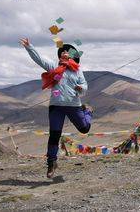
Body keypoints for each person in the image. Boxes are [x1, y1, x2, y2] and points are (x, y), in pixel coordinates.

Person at [19, 37, 92, 178]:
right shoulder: (54, 67)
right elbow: (39, 59)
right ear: (60, 55)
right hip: (56, 106)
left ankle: (87, 111)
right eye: (63, 51)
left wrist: (80, 88)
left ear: (72, 56)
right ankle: (51, 163)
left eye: (68, 51)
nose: (65, 52)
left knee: (84, 129)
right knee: (54, 135)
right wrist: (29, 47)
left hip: (73, 105)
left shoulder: (77, 71)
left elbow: (85, 87)